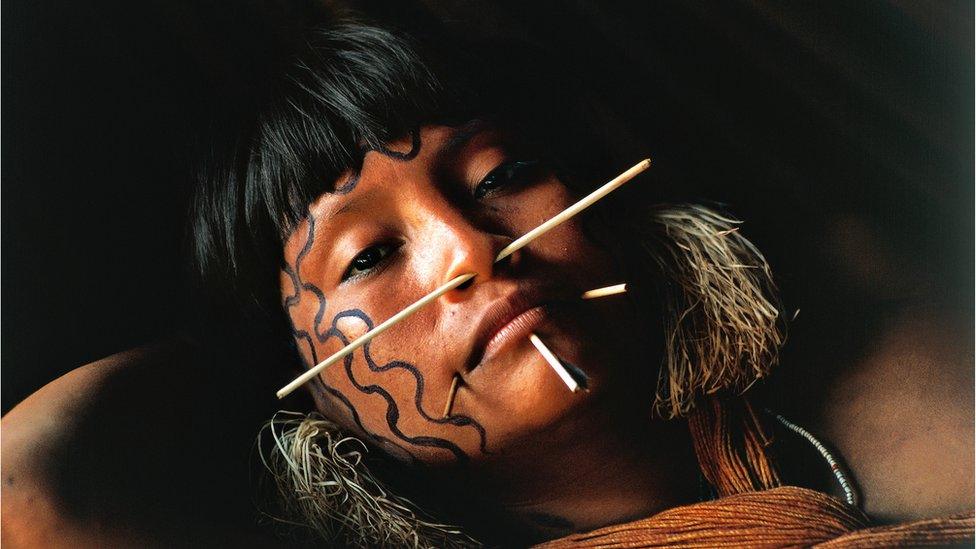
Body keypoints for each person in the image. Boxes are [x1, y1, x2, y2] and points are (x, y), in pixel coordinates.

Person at [3, 14, 972, 548]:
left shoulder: (879, 387)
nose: (471, 255)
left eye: (502, 178)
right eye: (372, 256)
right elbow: (30, 491)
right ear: (299, 385)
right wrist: (222, 373)